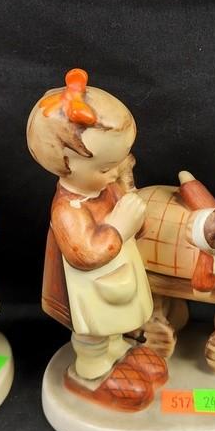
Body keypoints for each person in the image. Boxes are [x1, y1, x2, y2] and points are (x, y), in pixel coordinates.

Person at [27, 68, 167, 411]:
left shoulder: (109, 188)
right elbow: (84, 254)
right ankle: (91, 369)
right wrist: (118, 228)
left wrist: (132, 209)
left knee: (114, 321)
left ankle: (117, 349)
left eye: (120, 162)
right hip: (85, 288)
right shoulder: (67, 209)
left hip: (116, 276)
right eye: (106, 167)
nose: (116, 172)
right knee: (93, 329)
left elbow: (136, 223)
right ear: (65, 164)